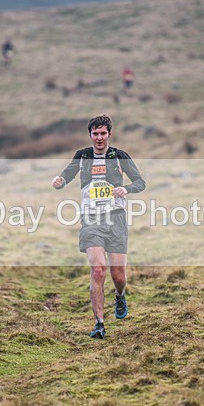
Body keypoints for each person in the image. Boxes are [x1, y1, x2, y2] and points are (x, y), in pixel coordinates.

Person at [52, 114, 146, 339]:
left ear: (109, 134)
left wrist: (126, 189)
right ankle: (99, 323)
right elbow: (66, 176)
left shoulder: (119, 156)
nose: (99, 138)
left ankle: (120, 296)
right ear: (90, 135)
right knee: (98, 270)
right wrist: (59, 182)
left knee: (118, 275)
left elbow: (140, 182)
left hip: (116, 218)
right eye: (95, 133)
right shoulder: (83, 156)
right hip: (91, 219)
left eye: (103, 133)